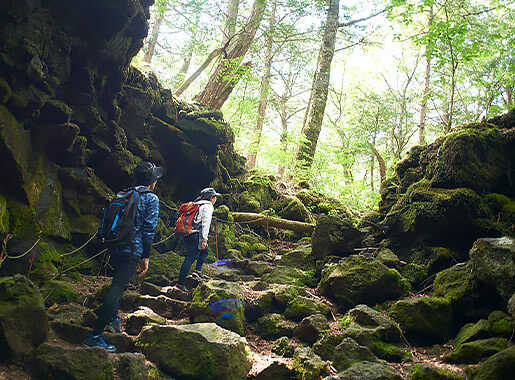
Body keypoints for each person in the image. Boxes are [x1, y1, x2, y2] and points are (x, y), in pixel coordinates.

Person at [83, 161, 162, 352]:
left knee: (116, 284)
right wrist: (145, 256)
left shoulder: (125, 193)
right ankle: (95, 335)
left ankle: (112, 320)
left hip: (115, 245)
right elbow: (149, 230)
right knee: (118, 288)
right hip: (132, 248)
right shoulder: (151, 198)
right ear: (152, 181)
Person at [174, 187, 220, 292]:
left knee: (205, 251)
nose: (215, 200)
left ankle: (197, 271)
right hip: (195, 235)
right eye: (215, 197)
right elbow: (205, 224)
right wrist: (204, 239)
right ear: (211, 198)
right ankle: (180, 284)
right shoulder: (208, 206)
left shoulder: (196, 204)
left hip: (187, 233)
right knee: (190, 258)